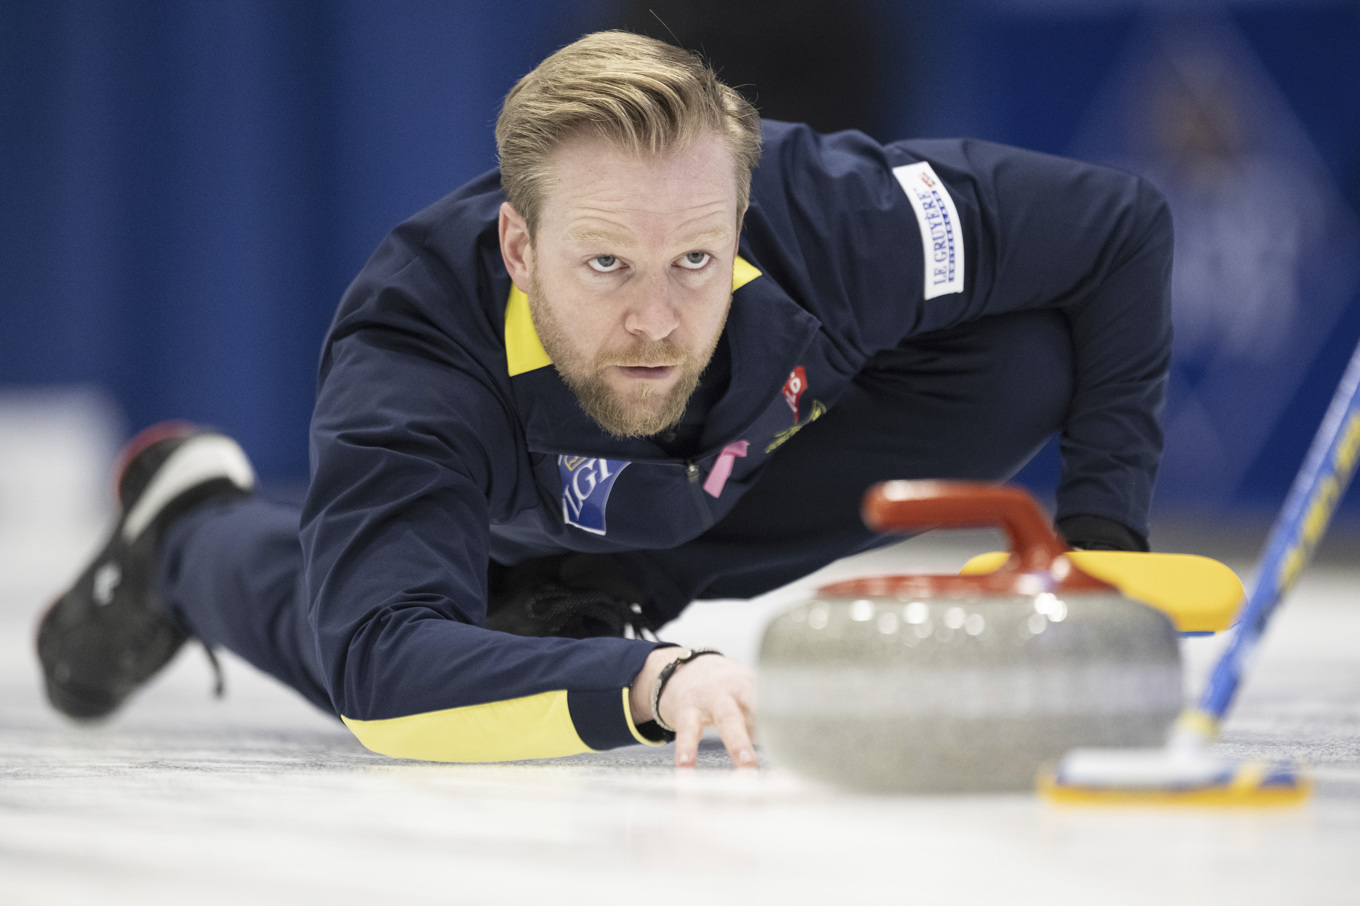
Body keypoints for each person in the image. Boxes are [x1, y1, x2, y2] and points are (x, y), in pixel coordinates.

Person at [37, 31, 1172, 770]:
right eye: (603, 267)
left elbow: (1120, 227)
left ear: (738, 223)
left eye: (692, 260)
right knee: (380, 641)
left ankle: (602, 581)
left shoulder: (837, 217)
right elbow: (382, 667)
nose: (654, 322)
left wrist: (1101, 537)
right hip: (495, 503)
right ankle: (186, 536)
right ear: (520, 246)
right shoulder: (413, 357)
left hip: (683, 499)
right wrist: (648, 679)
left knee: (1029, 353)